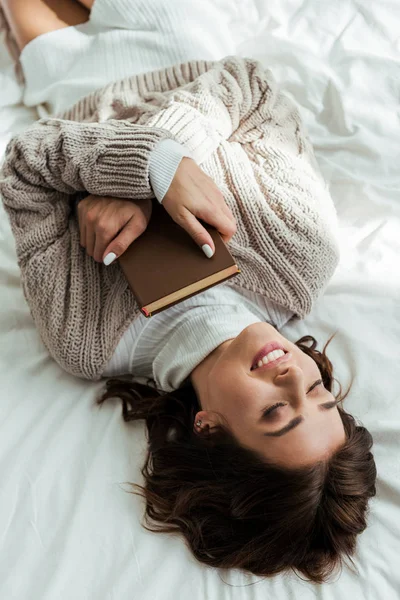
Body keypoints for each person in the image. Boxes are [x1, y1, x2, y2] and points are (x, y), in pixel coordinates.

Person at [0, 0, 376, 584]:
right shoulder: (299, 260)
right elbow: (249, 85)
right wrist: (155, 167)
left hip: (68, 90)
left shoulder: (88, 339)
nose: (292, 375)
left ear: (208, 427)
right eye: (319, 392)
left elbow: (25, 172)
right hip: (170, 41)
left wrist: (115, 172)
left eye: (278, 410)